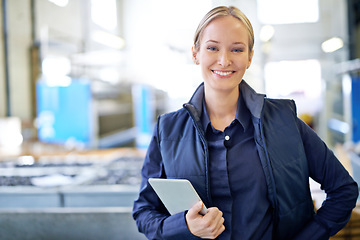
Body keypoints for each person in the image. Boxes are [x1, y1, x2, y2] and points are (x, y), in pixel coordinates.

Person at [132, 5, 358, 240]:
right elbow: (144, 212)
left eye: (237, 50)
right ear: (195, 53)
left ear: (249, 57)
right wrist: (185, 226)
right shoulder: (168, 131)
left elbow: (343, 189)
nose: (224, 60)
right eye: (212, 48)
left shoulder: (284, 121)